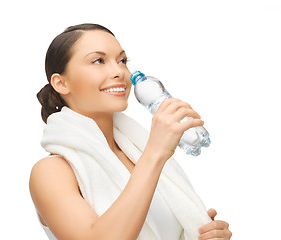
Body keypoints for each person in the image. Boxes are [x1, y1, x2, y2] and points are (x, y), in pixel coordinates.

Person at [29, 23, 232, 240]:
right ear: (61, 83)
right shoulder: (51, 172)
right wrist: (155, 152)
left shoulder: (136, 153)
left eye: (122, 61)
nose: (119, 71)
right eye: (98, 60)